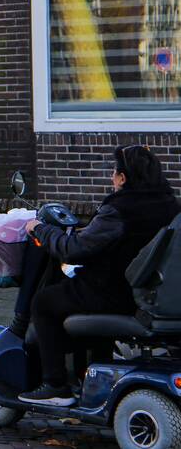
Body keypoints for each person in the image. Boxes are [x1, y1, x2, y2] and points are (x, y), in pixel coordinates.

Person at [18, 144, 180, 406]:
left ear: (123, 178)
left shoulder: (120, 209)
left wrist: (40, 230)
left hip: (114, 291)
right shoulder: (171, 205)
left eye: (114, 173)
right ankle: (90, 374)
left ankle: (55, 385)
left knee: (45, 303)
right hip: (151, 293)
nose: (111, 178)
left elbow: (74, 250)